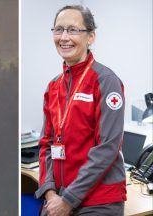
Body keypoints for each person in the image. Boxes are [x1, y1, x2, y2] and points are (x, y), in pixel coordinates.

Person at [34, 5, 126, 216]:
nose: (64, 37)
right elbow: (46, 144)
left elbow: (107, 148)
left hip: (98, 200)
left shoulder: (106, 81)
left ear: (90, 37)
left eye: (73, 30)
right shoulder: (53, 86)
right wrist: (49, 191)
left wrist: (68, 199)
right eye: (58, 30)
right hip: (58, 197)